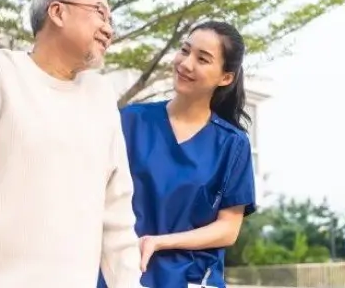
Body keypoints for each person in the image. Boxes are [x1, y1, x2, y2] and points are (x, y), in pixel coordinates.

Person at [0, 0, 142, 287]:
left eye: (110, 20)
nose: (109, 29)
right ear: (57, 12)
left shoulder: (102, 96)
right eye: (99, 12)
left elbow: (117, 211)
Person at [97, 21, 257, 288]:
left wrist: (159, 242)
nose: (186, 63)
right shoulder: (129, 122)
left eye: (202, 59)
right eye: (185, 50)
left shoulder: (232, 144)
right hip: (123, 273)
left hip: (193, 279)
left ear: (225, 77)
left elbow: (228, 229)